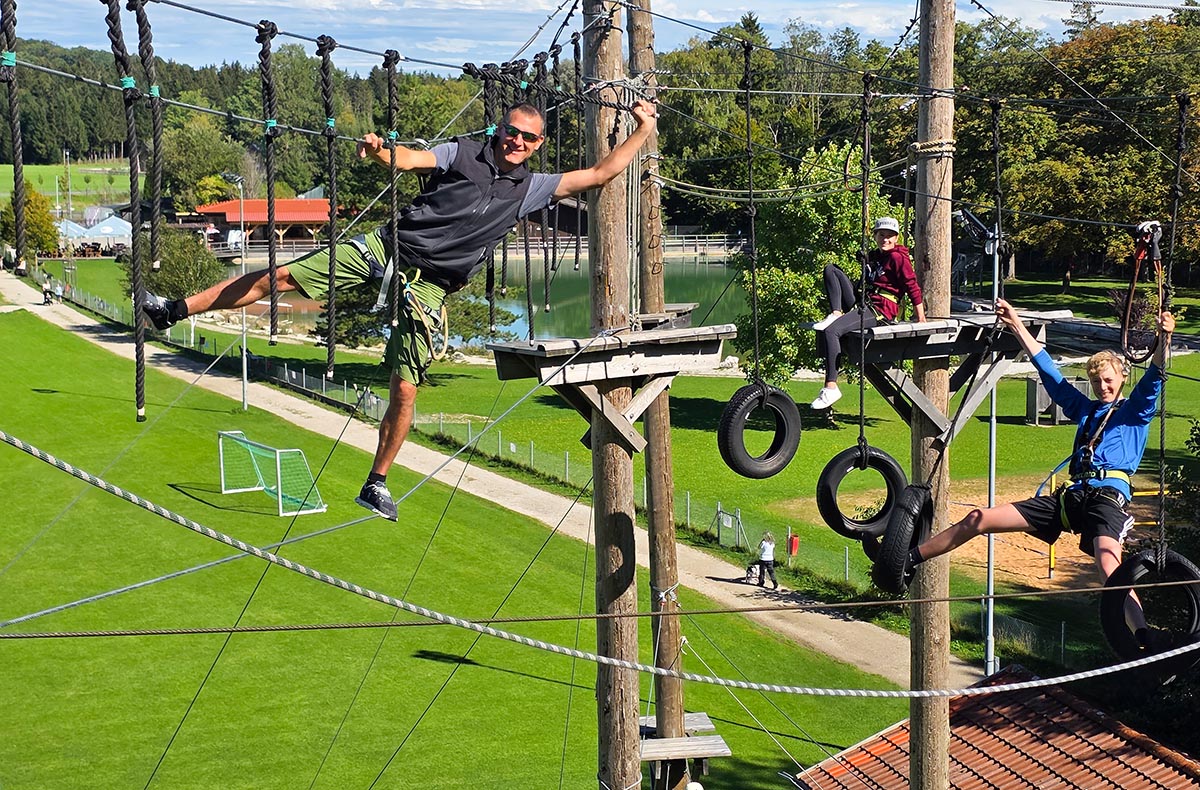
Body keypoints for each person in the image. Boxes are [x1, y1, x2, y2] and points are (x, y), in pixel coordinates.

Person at [141, 100, 658, 521]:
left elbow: (600, 174)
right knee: (279, 278)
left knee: (405, 389)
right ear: (499, 130)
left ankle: (376, 483)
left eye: (527, 138)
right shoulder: (464, 153)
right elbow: (412, 159)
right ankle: (173, 310)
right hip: (387, 250)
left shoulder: (532, 189)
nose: (516, 142)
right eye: (510, 132)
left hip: (429, 288)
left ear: (538, 144)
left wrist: (644, 128)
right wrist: (382, 154)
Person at [901, 298, 1175, 651]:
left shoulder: (1135, 411)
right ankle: (909, 559)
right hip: (1070, 498)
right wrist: (1016, 325)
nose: (1102, 387)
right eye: (1096, 381)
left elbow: (1154, 377)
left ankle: (1142, 635)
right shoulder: (1087, 410)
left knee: (1109, 564)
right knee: (978, 517)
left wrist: (1164, 339)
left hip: (1107, 498)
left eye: (1107, 380)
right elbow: (1052, 376)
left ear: (1122, 377)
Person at [810, 217, 927, 410]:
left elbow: (912, 287)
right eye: (882, 235)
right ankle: (836, 312)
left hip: (880, 309)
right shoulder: (877, 257)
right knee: (831, 270)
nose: (885, 240)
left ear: (897, 238)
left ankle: (831, 387)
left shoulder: (899, 258)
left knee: (831, 332)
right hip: (865, 301)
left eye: (890, 236)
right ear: (875, 236)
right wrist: (867, 264)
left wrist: (920, 318)